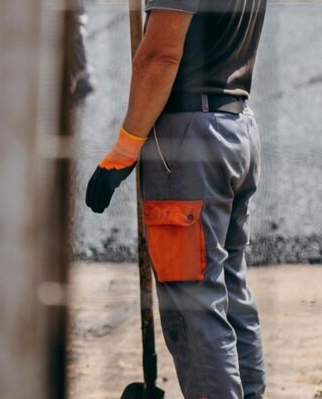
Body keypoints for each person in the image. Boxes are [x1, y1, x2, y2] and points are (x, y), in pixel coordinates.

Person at [85, 1, 268, 397]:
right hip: (235, 125)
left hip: (190, 141)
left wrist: (125, 147)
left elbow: (160, 55)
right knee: (230, 293)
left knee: (193, 306)